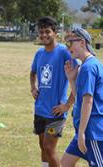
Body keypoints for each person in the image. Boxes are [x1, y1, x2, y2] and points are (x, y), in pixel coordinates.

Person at [30, 16, 75, 167]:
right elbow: (33, 72)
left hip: (56, 112)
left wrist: (67, 105)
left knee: (49, 148)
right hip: (40, 108)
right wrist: (33, 87)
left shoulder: (64, 52)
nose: (44, 35)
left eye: (47, 31)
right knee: (43, 146)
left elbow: (78, 79)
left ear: (55, 32)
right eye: (41, 32)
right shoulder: (39, 53)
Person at [61, 28, 103, 167]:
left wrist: (82, 133)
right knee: (66, 162)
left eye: (70, 43)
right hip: (85, 129)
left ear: (82, 42)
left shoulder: (88, 67)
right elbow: (80, 98)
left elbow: (88, 101)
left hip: (93, 131)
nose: (68, 48)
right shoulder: (85, 65)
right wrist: (72, 80)